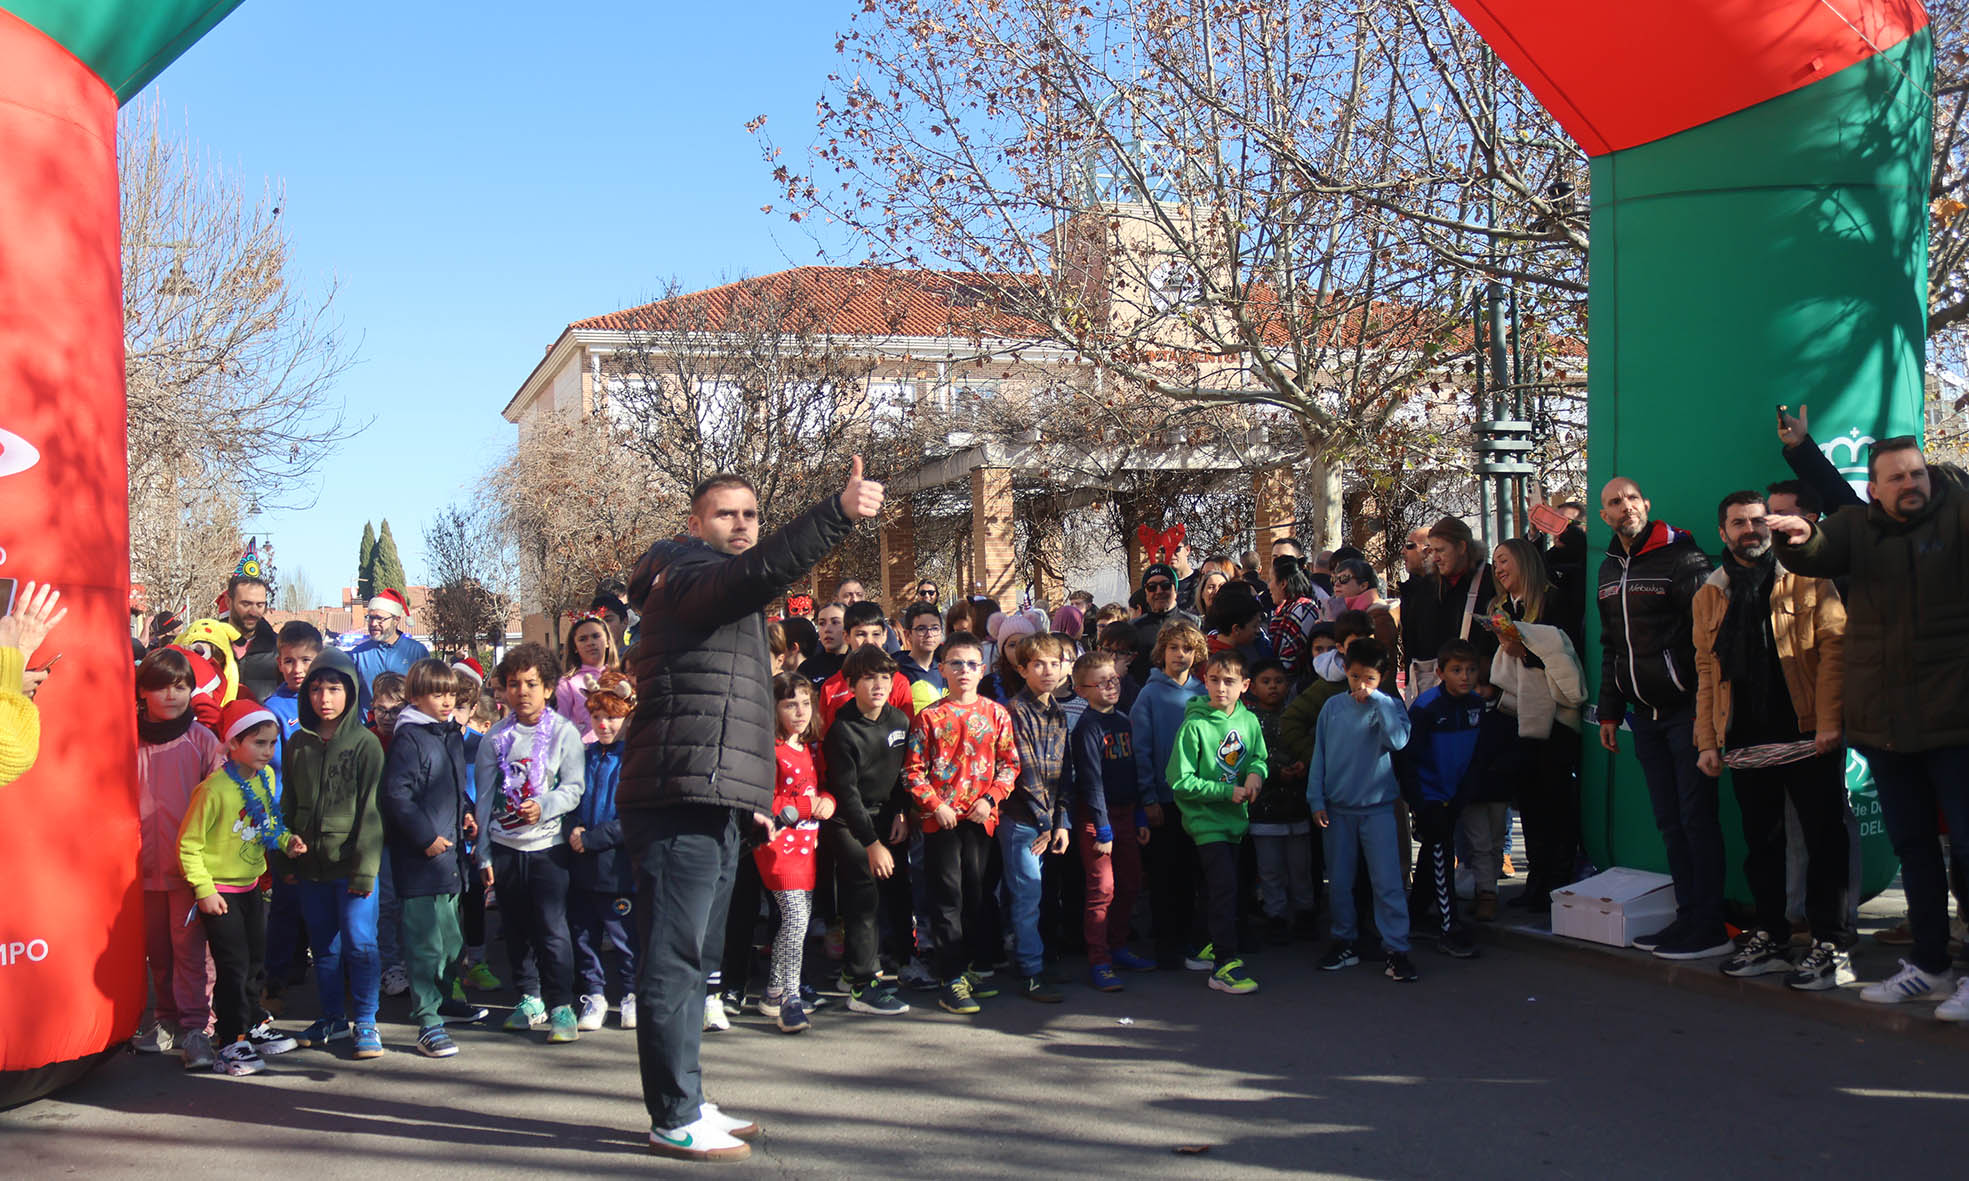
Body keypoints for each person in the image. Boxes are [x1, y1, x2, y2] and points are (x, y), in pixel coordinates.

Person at [620, 459, 882, 1161]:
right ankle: (672, 1113)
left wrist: (751, 800)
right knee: (673, 959)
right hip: (678, 795)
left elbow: (733, 710)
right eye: (725, 514)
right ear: (694, 525)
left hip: (713, 794)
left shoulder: (713, 592)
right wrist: (836, 512)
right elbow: (754, 574)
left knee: (694, 953)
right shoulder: (687, 574)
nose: (741, 525)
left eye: (751, 515)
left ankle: (689, 1099)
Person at [1768, 438, 1969, 1017]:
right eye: (1896, 478)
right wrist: (1800, 539)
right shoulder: (1859, 526)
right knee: (1915, 849)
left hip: (1955, 719)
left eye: (1916, 473)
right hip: (1886, 724)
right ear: (1874, 489)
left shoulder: (1958, 515)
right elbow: (1821, 546)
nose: (1910, 484)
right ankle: (1929, 967)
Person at [1693, 491, 1853, 989]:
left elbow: (1836, 651)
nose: (1750, 529)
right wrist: (1707, 741)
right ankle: (1772, 935)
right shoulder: (1709, 594)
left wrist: (1829, 722)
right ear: (1723, 533)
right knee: (1762, 845)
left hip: (1807, 732)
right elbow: (1706, 672)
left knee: (1824, 839)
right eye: (1738, 523)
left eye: (1757, 520)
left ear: (1772, 525)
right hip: (1743, 737)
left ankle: (1831, 944)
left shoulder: (1807, 577)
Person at [1594, 477, 1728, 960]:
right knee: (1670, 822)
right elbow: (1611, 646)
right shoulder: (1609, 568)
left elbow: (1710, 635)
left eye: (1632, 499)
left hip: (1687, 710)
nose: (1625, 507)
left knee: (1697, 820)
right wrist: (1610, 711)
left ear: (1646, 504)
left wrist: (1706, 710)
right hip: (1641, 717)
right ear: (1604, 515)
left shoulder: (1683, 557)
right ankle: (1688, 916)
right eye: (1614, 502)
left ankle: (1709, 924)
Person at [178, 700, 309, 1079]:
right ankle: (229, 1041)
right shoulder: (213, 790)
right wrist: (204, 890)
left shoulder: (264, 780)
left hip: (251, 886)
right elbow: (189, 845)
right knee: (232, 967)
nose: (268, 752)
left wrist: (286, 842)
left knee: (255, 961)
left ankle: (251, 1026)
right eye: (258, 743)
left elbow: (269, 826)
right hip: (220, 893)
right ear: (232, 743)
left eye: (271, 744)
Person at [474, 643, 586, 1044]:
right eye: (513, 684)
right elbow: (485, 797)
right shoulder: (495, 739)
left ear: (549, 687)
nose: (522, 691)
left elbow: (574, 788)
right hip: (505, 847)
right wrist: (483, 850)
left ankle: (561, 1004)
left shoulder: (564, 733)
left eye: (531, 684)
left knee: (552, 928)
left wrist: (546, 804)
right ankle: (529, 996)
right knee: (516, 927)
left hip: (547, 847)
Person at [279, 646, 387, 1058]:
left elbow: (372, 812)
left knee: (361, 944)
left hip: (353, 868)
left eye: (334, 689)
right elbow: (287, 803)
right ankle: (332, 1019)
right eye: (317, 690)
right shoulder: (299, 744)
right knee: (324, 948)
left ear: (351, 693)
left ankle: (366, 1021)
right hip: (310, 868)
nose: (324, 699)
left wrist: (365, 871)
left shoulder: (366, 745)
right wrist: (285, 851)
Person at [905, 630, 1020, 1017]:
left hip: (981, 819)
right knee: (947, 898)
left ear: (982, 668)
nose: (964, 670)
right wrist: (935, 805)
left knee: (977, 894)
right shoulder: (930, 717)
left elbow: (1010, 764)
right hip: (942, 822)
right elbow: (913, 771)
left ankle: (971, 965)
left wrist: (991, 799)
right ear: (943, 669)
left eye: (971, 664)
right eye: (956, 663)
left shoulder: (996, 713)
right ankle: (949, 975)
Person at [377, 659, 483, 1057]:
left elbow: (455, 786)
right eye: (437, 694)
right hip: (421, 859)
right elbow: (397, 797)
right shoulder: (410, 739)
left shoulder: (449, 734)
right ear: (417, 697)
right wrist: (425, 838)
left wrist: (468, 813)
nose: (446, 701)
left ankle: (444, 1001)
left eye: (451, 694)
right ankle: (427, 1019)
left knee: (451, 940)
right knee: (424, 943)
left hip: (451, 857)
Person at [133, 647, 224, 1064]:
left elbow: (224, 802)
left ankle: (196, 1027)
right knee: (157, 952)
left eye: (182, 685)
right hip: (138, 870)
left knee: (192, 952)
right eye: (162, 686)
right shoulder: (125, 739)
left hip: (188, 871)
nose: (172, 695)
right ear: (143, 691)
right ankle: (165, 1019)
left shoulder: (202, 740)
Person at [1307, 638, 1417, 982]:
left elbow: (1399, 740)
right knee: (1339, 881)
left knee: (1387, 883)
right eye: (1354, 677)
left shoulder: (1387, 706)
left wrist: (1380, 702)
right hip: (1338, 810)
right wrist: (1316, 799)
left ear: (1381, 677)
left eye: (1368, 678)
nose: (1360, 685)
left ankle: (1397, 948)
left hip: (1379, 808)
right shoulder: (1332, 708)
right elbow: (1319, 756)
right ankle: (1344, 940)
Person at [1487, 540, 1588, 912]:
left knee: (1555, 804)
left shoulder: (1554, 601)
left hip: (1556, 720)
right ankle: (1537, 881)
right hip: (1520, 716)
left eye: (1504, 560)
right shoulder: (1502, 607)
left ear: (1525, 562)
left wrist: (1524, 651)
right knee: (1529, 805)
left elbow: (1566, 655)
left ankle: (1556, 884)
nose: (1498, 568)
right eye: (1495, 562)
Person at [821, 645, 915, 1016]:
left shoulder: (899, 722)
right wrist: (872, 843)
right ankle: (861, 985)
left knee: (894, 891)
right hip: (851, 823)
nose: (879, 685)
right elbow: (847, 795)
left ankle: (867, 967)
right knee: (863, 900)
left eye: (885, 677)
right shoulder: (841, 731)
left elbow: (902, 778)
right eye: (869, 678)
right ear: (851, 683)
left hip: (888, 818)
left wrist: (903, 814)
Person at [1167, 650, 1268, 995]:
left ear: (1245, 685)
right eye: (1213, 680)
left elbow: (1258, 756)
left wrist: (1256, 774)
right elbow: (1181, 780)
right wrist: (1227, 792)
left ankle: (1202, 945)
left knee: (1220, 889)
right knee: (1224, 888)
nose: (1221, 688)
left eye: (1229, 681)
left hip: (1235, 823)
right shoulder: (1193, 725)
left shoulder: (1249, 721)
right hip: (1205, 822)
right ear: (1204, 681)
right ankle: (1225, 963)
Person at [1068, 650, 1155, 991]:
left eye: (1114, 680)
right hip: (1096, 819)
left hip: (1125, 815)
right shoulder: (1087, 728)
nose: (1110, 687)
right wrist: (1103, 827)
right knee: (1102, 889)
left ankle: (1119, 945)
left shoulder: (1123, 721)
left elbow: (1131, 773)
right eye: (1101, 682)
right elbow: (1091, 781)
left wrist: (1137, 814)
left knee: (1131, 882)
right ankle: (1099, 959)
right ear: (1082, 689)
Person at [1403, 640, 1492, 952]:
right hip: (1429, 794)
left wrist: (1465, 791)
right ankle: (1448, 926)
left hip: (1456, 793)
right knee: (1441, 854)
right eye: (1456, 670)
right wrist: (1418, 801)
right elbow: (1408, 758)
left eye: (1470, 670)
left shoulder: (1477, 706)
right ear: (1441, 673)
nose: (1465, 677)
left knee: (1433, 853)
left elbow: (1478, 753)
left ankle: (1415, 915)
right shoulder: (1427, 708)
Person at [758, 673, 835, 1033]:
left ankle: (773, 991)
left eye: (805, 703)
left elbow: (822, 789)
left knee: (798, 920)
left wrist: (828, 804)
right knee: (795, 920)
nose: (800, 711)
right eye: (790, 704)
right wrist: (807, 807)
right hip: (776, 847)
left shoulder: (807, 748)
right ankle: (790, 997)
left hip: (807, 847)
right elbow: (766, 801)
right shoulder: (768, 750)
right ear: (774, 708)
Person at [1129, 620, 1207, 967]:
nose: (1180, 655)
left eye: (1187, 649)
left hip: (1199, 800)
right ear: (1161, 652)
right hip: (1163, 800)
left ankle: (1192, 940)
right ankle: (1167, 944)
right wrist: (1148, 798)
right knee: (1165, 875)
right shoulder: (1150, 694)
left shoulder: (1202, 693)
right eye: (1174, 648)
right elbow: (1141, 750)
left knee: (1193, 873)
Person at [1002, 632, 1074, 1003]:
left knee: (1044, 894)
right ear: (1022, 668)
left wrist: (1062, 822)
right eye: (1039, 664)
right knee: (1026, 895)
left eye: (1055, 663)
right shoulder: (1016, 711)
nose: (1048, 670)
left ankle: (1040, 960)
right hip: (1023, 821)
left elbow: (1065, 774)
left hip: (1049, 822)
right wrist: (1046, 824)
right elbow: (1026, 774)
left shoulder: (1059, 713)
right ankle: (1030, 970)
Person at [568, 671, 639, 1031]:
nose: (604, 724)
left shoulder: (634, 760)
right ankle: (594, 995)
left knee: (624, 935)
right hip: (583, 865)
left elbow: (634, 815)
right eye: (597, 717)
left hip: (619, 867)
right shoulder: (584, 755)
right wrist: (574, 829)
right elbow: (570, 797)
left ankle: (630, 994)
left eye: (612, 717)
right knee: (584, 934)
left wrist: (595, 838)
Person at [1243, 657, 1319, 943]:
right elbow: (1249, 759)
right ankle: (1275, 915)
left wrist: (1301, 765)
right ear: (1253, 687)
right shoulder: (1249, 720)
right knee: (1270, 868)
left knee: (1300, 867)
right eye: (1266, 682)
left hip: (1297, 805)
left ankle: (1305, 913)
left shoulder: (1295, 715)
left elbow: (1307, 746)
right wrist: (1275, 772)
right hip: (1264, 807)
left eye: (1279, 681)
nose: (1273, 687)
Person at [816, 601, 916, 733]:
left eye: (875, 634)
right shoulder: (831, 687)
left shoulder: (898, 683)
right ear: (846, 636)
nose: (869, 641)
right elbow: (824, 740)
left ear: (885, 636)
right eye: (861, 634)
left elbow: (908, 735)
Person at [351, 588, 431, 718]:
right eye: (370, 618)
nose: (373, 623)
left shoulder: (417, 652)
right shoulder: (358, 655)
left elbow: (427, 694)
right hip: (368, 731)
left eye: (379, 618)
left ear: (396, 620)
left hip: (406, 728)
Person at [1128, 563, 1200, 686]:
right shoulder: (1133, 628)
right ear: (1146, 593)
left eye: (1165, 585)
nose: (1159, 591)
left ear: (1175, 591)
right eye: (1152, 587)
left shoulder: (1194, 624)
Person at [556, 612, 620, 737]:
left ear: (607, 641)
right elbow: (559, 726)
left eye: (596, 636)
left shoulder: (620, 678)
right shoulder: (568, 684)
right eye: (583, 639)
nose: (590, 642)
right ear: (575, 647)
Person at [223, 574, 280, 702]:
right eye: (246, 604)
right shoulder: (209, 646)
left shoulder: (278, 650)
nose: (253, 612)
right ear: (228, 602)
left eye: (260, 605)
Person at [896, 600, 947, 708]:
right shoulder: (896, 670)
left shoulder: (946, 668)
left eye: (935, 628)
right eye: (921, 629)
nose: (929, 634)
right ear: (908, 634)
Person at [803, 601, 850, 688]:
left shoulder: (859, 665)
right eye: (822, 623)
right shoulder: (807, 668)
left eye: (835, 622)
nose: (827, 629)